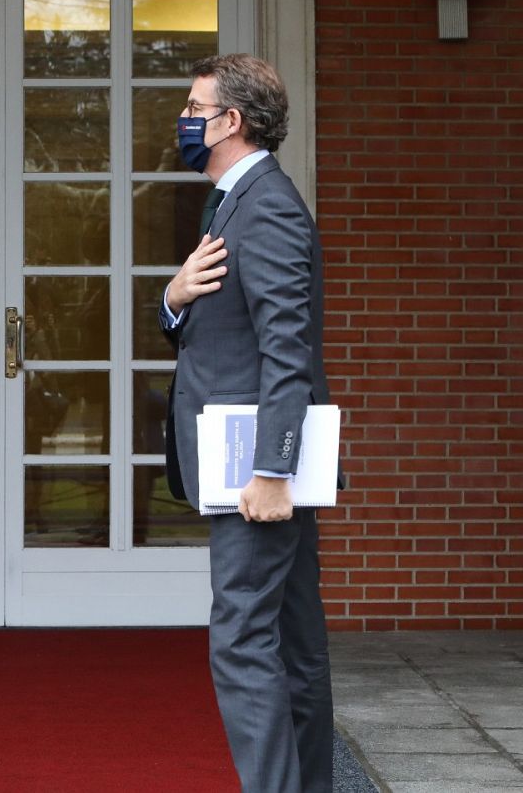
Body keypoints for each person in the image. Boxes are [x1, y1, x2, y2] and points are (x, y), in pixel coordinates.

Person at [159, 53, 335, 792]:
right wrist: (172, 300)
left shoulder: (264, 205)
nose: (185, 121)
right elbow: (221, 324)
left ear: (230, 121)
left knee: (241, 643)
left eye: (195, 108)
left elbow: (286, 349)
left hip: (254, 470)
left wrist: (272, 471)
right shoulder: (236, 199)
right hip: (248, 460)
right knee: (294, 646)